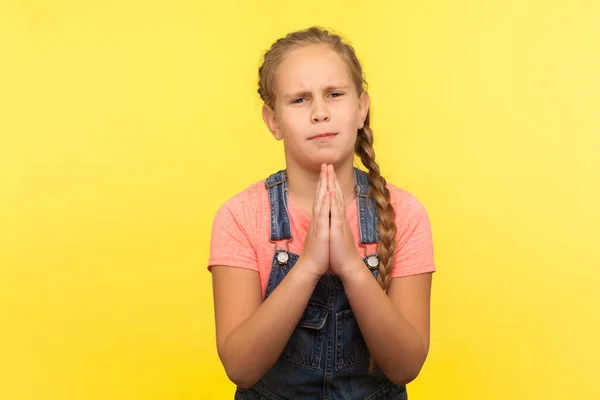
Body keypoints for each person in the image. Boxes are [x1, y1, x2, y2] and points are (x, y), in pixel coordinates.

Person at [208, 26, 436, 399]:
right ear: (273, 121)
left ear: (361, 108)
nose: (319, 113)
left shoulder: (404, 214)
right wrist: (310, 264)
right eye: (299, 99)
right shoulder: (240, 217)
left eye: (334, 94)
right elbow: (241, 368)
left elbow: (405, 365)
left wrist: (349, 264)